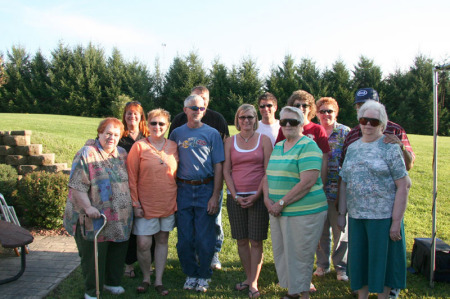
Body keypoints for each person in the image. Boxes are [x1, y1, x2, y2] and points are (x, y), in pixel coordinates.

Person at [339, 88, 416, 299]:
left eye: (373, 122)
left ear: (382, 124)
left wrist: (395, 222)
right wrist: (341, 213)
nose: (367, 125)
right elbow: (344, 181)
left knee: (383, 263)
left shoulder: (390, 147)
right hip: (357, 217)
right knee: (360, 261)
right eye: (364, 120)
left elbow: (404, 185)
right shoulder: (353, 147)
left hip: (382, 218)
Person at [63, 118, 133, 299]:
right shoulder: (86, 153)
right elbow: (76, 186)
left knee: (117, 249)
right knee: (94, 255)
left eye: (116, 135)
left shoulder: (122, 153)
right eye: (108, 133)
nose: (112, 138)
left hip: (120, 216)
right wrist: (87, 207)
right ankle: (92, 290)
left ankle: (112, 282)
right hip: (94, 217)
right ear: (99, 133)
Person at [264, 106, 328, 299]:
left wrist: (281, 203)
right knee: (284, 253)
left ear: (302, 123)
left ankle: (303, 295)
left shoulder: (309, 146)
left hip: (303, 211)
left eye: (293, 121)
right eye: (284, 122)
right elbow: (267, 175)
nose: (288, 125)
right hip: (278, 210)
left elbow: (307, 182)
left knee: (301, 254)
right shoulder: (278, 146)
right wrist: (267, 199)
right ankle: (294, 292)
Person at [168, 86, 229, 270]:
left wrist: (216, 193)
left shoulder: (215, 124)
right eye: (194, 106)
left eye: (202, 105)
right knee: (186, 228)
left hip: (207, 185)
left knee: (212, 224)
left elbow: (221, 158)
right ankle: (191, 261)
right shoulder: (178, 128)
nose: (198, 109)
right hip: (184, 187)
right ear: (186, 108)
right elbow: (169, 152)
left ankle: (212, 255)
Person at [223, 104, 272, 298]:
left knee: (256, 240)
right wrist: (235, 195)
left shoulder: (265, 140)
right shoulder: (230, 141)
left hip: (258, 197)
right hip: (235, 197)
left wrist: (257, 195)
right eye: (242, 117)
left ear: (255, 120)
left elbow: (268, 171)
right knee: (241, 240)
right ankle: (248, 276)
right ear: (237, 119)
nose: (246, 121)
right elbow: (226, 170)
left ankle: (253, 282)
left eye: (250, 117)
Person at [127, 109, 178, 296]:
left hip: (167, 202)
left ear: (167, 126)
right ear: (147, 125)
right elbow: (131, 177)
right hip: (145, 204)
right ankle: (146, 277)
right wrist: (135, 203)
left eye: (161, 124)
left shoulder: (173, 146)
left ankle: (158, 280)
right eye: (153, 123)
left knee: (162, 239)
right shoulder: (139, 147)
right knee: (143, 243)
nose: (157, 127)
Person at [314, 97, 350, 281]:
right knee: (320, 230)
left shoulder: (345, 132)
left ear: (336, 112)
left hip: (339, 191)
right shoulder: (312, 132)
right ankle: (322, 265)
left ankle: (341, 267)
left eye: (330, 111)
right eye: (322, 111)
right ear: (316, 113)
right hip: (316, 190)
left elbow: (350, 162)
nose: (326, 114)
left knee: (340, 230)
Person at [119, 101, 150, 279]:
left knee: (146, 226)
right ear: (124, 116)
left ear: (141, 117)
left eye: (135, 114)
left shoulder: (147, 137)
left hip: (145, 187)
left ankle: (147, 262)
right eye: (128, 113)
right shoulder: (119, 137)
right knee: (129, 226)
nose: (132, 117)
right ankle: (128, 263)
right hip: (123, 187)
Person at [276, 90, 330, 185]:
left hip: (312, 181)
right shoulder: (284, 128)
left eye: (305, 105)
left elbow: (324, 159)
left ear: (310, 108)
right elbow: (278, 156)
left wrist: (323, 183)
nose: (301, 108)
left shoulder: (318, 129)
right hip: (289, 180)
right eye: (297, 105)